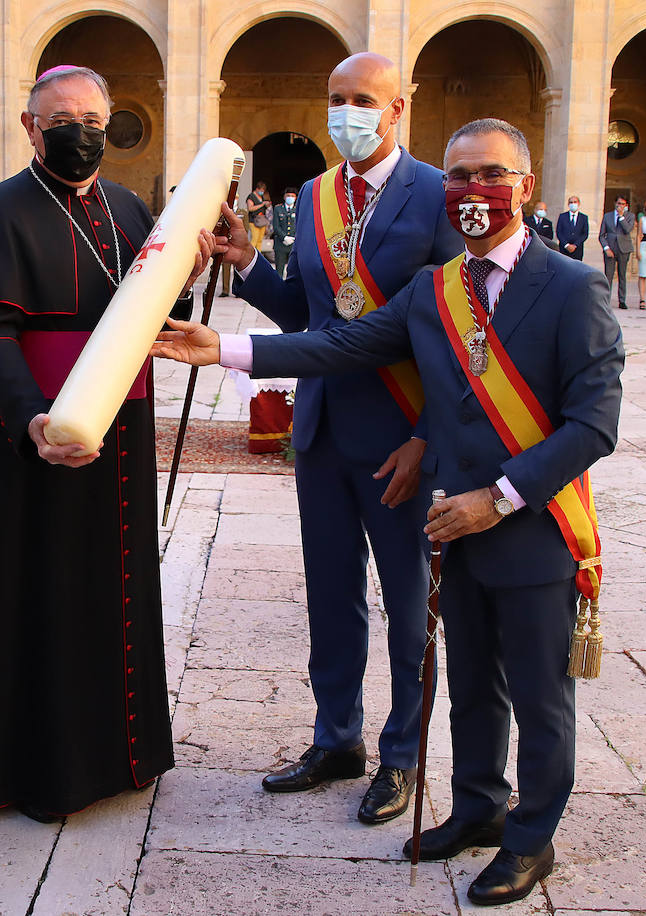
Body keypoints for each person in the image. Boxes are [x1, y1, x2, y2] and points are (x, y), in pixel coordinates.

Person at [155, 117, 623, 907]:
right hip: (458, 527)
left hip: (533, 529)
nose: (475, 192)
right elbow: (343, 345)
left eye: (491, 175)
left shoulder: (574, 288)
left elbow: (593, 426)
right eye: (461, 177)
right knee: (471, 682)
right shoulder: (437, 290)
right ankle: (478, 809)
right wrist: (225, 349)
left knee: (541, 697)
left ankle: (531, 837)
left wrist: (497, 497)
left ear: (526, 186)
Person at [194, 51, 463, 826]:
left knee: (411, 607)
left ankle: (403, 755)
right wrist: (246, 264)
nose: (348, 112)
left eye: (364, 100)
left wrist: (426, 436)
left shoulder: (436, 198)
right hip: (321, 430)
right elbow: (307, 316)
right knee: (331, 596)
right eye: (336, 98)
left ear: (398, 109)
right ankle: (335, 738)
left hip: (400, 436)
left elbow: (453, 335)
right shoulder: (313, 197)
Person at [0, 64, 185, 821]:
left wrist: (193, 267)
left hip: (123, 431)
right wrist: (31, 418)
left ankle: (119, 752)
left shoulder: (133, 208)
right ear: (30, 127)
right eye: (60, 117)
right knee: (34, 591)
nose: (79, 131)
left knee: (114, 584)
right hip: (29, 437)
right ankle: (29, 770)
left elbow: (148, 306)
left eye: (93, 119)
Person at [599, 195, 634, 309]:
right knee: (608, 275)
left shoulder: (630, 216)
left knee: (622, 275)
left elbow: (627, 229)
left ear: (626, 206)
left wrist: (621, 217)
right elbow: (602, 235)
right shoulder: (607, 216)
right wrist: (606, 248)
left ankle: (622, 300)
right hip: (610, 248)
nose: (620, 206)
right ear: (615, 204)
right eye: (618, 203)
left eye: (623, 204)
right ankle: (606, 300)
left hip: (623, 248)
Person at [271, 186, 298, 278]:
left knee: (292, 270)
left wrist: (294, 237)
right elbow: (276, 226)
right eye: (288, 195)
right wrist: (284, 237)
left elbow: (299, 224)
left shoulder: (298, 208)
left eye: (292, 196)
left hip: (293, 244)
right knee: (279, 269)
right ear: (284, 197)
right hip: (280, 243)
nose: (290, 197)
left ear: (295, 198)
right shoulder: (278, 209)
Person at [556, 196, 588, 261]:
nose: (573, 204)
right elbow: (559, 232)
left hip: (577, 249)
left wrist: (575, 245)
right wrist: (566, 245)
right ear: (568, 204)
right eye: (571, 202)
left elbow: (585, 234)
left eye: (575, 202)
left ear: (578, 204)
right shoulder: (562, 216)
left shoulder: (583, 217)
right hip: (564, 249)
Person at [245, 180, 270, 251]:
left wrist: (267, 204)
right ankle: (250, 254)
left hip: (262, 220)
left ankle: (259, 255)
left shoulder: (262, 197)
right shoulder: (251, 197)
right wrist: (262, 204)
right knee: (254, 239)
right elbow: (250, 208)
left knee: (260, 240)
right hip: (254, 220)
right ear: (257, 189)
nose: (262, 192)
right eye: (261, 190)